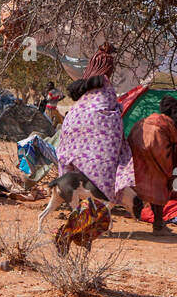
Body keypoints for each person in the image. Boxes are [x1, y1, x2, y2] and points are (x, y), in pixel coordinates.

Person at [53, 49, 137, 221]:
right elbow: (111, 110)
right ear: (107, 68)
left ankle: (74, 202)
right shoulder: (105, 85)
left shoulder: (85, 89)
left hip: (72, 130)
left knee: (76, 169)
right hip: (100, 134)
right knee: (105, 168)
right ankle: (99, 206)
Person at [129, 99, 177, 234]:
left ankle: (158, 222)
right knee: (162, 181)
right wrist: (173, 175)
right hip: (155, 140)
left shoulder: (155, 118)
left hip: (138, 134)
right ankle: (158, 224)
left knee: (151, 179)